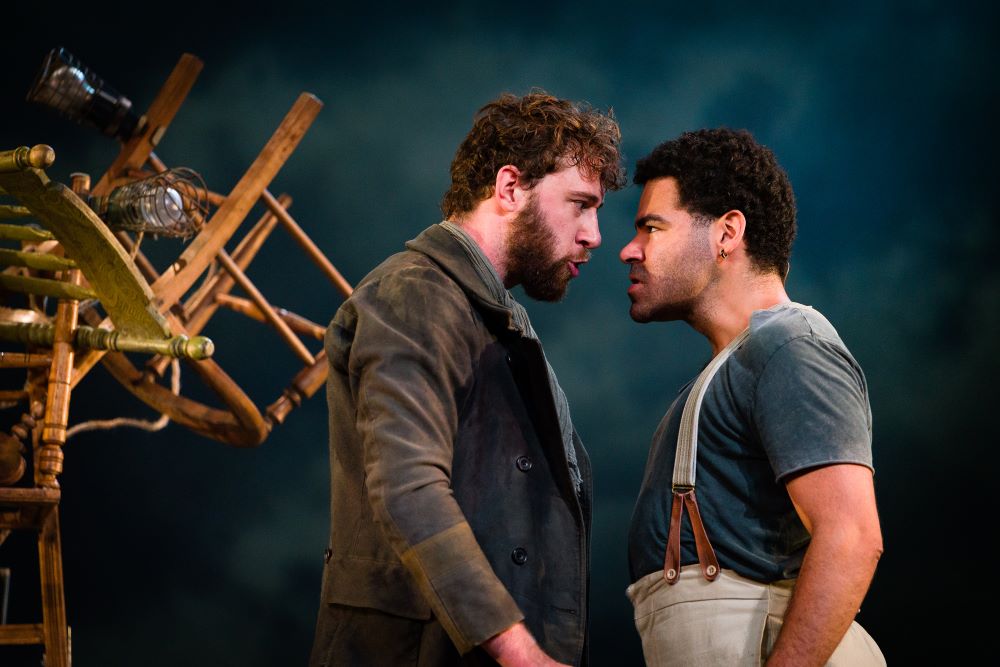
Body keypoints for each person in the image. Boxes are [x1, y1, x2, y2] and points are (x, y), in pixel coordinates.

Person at [309, 91, 625, 667]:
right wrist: (520, 654)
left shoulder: (489, 314)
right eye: (580, 204)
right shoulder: (415, 294)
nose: (595, 235)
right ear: (509, 189)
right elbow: (409, 488)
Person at [620, 128, 885, 666]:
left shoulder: (789, 344)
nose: (630, 249)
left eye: (652, 227)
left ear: (727, 232)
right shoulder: (733, 365)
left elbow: (852, 535)